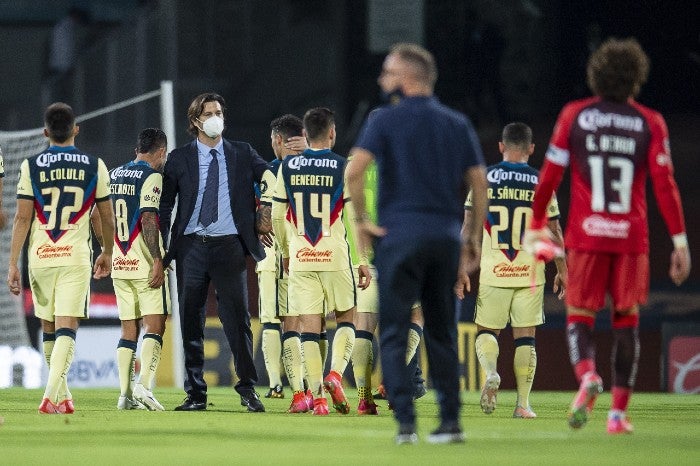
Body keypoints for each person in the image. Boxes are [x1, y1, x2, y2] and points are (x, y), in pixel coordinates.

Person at [523, 38, 691, 434]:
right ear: (637, 78)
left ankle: (586, 376)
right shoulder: (650, 122)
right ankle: (617, 415)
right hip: (631, 240)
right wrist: (680, 241)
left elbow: (549, 177)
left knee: (579, 317)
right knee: (626, 323)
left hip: (586, 237)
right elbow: (665, 185)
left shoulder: (575, 116)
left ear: (595, 74)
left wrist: (534, 226)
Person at [346, 43, 488, 444]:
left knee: (392, 332)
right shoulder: (456, 122)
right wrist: (472, 237)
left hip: (398, 236)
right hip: (444, 238)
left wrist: (362, 222)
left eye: (388, 72)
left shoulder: (383, 120)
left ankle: (406, 424)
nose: (381, 80)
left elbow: (354, 173)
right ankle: (449, 422)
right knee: (441, 332)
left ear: (407, 78)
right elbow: (479, 182)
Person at [159, 92, 270, 412]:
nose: (215, 118)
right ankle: (195, 393)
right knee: (190, 321)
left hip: (230, 246)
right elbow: (165, 205)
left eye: (219, 111)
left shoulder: (243, 153)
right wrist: (165, 249)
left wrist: (265, 207)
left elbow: (269, 177)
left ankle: (248, 388)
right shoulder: (179, 159)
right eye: (209, 113)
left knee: (238, 321)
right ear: (195, 121)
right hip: (191, 247)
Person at [7, 102, 114, 414]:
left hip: (40, 257)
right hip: (74, 257)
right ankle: (50, 395)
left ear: (45, 132)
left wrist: (13, 262)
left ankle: (62, 396)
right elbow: (106, 218)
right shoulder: (95, 165)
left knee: (50, 327)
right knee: (67, 327)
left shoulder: (30, 166)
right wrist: (107, 251)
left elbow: (22, 219)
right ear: (75, 129)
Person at [459, 122, 566, 419]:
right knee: (525, 337)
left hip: (494, 269)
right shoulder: (541, 181)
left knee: (486, 331)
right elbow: (554, 232)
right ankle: (522, 404)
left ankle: (491, 372)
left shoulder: (485, 179)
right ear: (531, 149)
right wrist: (562, 269)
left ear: (501, 147)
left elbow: (468, 228)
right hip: (530, 272)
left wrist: (462, 269)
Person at [272, 107, 370, 416]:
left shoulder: (287, 168)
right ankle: (335, 374)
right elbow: (354, 217)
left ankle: (318, 400)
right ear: (331, 133)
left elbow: (276, 216)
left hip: (302, 255)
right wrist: (362, 260)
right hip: (335, 254)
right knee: (347, 318)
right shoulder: (343, 167)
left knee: (309, 330)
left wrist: (287, 252)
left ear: (305, 135)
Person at [107, 128, 169, 411]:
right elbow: (147, 217)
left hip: (120, 262)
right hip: (144, 264)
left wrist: (106, 251)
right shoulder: (152, 176)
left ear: (137, 150)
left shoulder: (114, 173)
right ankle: (144, 385)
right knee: (155, 325)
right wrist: (157, 259)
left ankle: (124, 394)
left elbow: (103, 215)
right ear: (160, 153)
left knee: (127, 329)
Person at [256, 114, 303, 402]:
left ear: (277, 140)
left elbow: (265, 217)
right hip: (309, 252)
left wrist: (258, 227)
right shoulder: (310, 168)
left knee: (272, 319)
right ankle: (306, 385)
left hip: (275, 250)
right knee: (300, 321)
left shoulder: (271, 170)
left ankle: (276, 384)